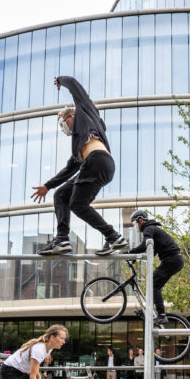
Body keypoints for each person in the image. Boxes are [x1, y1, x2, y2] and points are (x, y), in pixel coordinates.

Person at [33, 76, 127, 257]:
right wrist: (47, 186)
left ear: (70, 117)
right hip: (99, 165)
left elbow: (76, 87)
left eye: (63, 124)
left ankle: (113, 237)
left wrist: (61, 80)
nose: (65, 130)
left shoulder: (85, 112)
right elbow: (68, 170)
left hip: (97, 160)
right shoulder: (78, 147)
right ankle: (62, 239)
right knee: (61, 194)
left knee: (77, 204)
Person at [127, 210, 184, 325]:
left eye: (134, 223)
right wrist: (134, 258)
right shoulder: (154, 230)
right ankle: (149, 310)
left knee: (153, 283)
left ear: (141, 220)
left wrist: (130, 252)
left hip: (172, 259)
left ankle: (162, 315)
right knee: (153, 284)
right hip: (174, 260)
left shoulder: (149, 229)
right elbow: (151, 252)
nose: (135, 227)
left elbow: (145, 245)